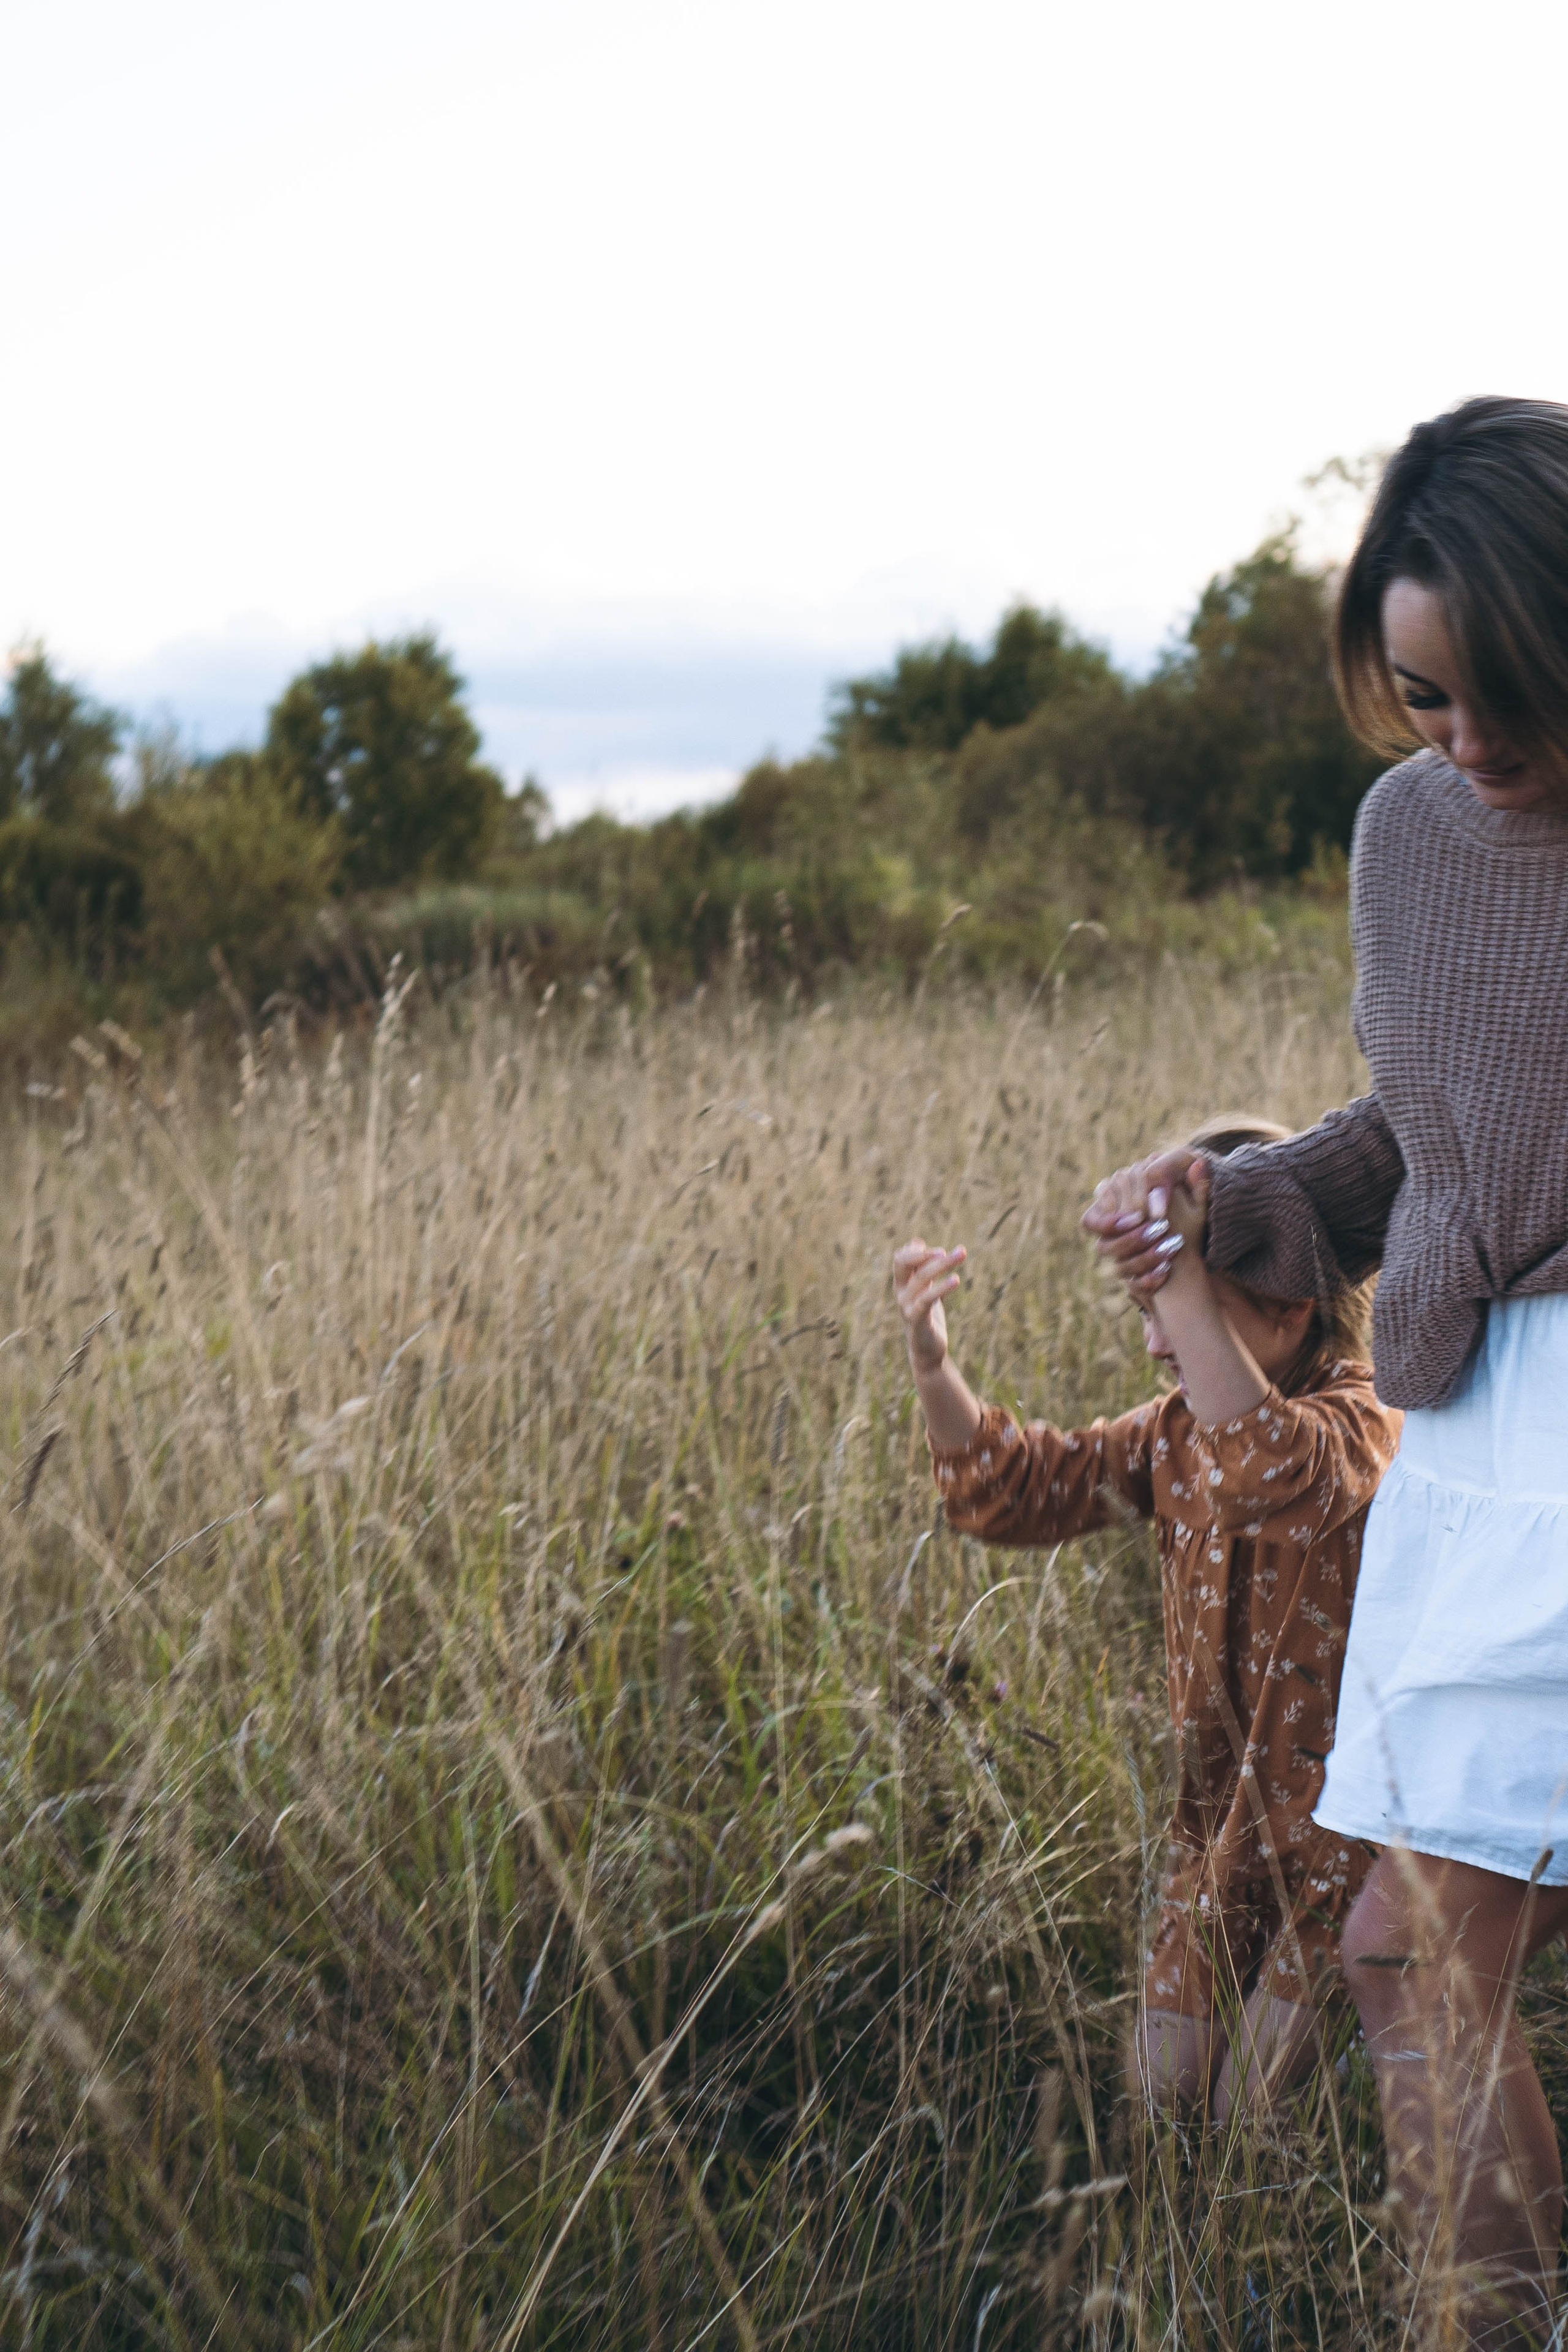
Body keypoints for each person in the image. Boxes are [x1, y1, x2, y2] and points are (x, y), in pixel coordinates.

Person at [1083, 396, 1568, 2347]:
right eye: (1425, 696)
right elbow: (1432, 1133)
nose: (1465, 740)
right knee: (1402, 1958)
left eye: (1503, 691)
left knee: (1417, 1955)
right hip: (1474, 1439)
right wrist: (1242, 1196)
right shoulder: (1410, 838)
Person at [894, 1115, 1399, 2120]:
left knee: (1251, 2115)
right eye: (1144, 1308)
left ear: (1290, 1305)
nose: (1157, 1340)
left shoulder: (1365, 1420)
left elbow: (1268, 1471)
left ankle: (1357, 2091)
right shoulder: (1172, 1434)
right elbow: (1014, 1489)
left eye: (1179, 1303)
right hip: (1220, 1833)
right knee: (1161, 2098)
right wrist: (932, 1367)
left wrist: (1177, 1265)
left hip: (1346, 1839)